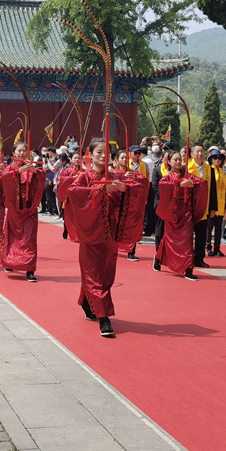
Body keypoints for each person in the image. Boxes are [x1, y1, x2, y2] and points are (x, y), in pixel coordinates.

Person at [63, 138, 149, 337]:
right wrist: (101, 189)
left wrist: (127, 185)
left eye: (106, 152)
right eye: (99, 152)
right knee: (93, 273)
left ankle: (87, 301)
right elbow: (73, 193)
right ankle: (104, 317)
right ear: (90, 155)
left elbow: (141, 184)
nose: (103, 156)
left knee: (106, 274)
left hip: (110, 233)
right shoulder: (84, 177)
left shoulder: (116, 175)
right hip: (90, 234)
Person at [154, 151, 208, 281]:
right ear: (169, 162)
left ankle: (188, 269)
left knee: (188, 241)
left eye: (180, 160)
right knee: (168, 239)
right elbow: (163, 185)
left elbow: (202, 183)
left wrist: (193, 184)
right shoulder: (167, 177)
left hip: (186, 214)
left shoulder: (188, 176)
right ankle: (158, 258)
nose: (178, 162)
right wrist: (178, 184)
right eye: (175, 160)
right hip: (172, 214)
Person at [0, 141, 45, 281]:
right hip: (14, 210)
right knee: (12, 238)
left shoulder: (32, 167)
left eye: (24, 151)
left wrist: (35, 172)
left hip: (29, 209)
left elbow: (41, 177)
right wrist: (19, 171)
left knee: (29, 239)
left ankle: (29, 269)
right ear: (14, 153)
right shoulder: (10, 169)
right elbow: (5, 179)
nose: (21, 153)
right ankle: (10, 262)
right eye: (18, 151)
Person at [186, 144, 212, 268]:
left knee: (201, 235)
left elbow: (213, 191)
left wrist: (213, 208)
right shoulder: (185, 168)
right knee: (188, 234)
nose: (200, 154)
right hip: (189, 208)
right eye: (197, 152)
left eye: (202, 151)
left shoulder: (209, 169)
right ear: (191, 154)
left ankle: (199, 259)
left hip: (204, 207)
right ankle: (187, 258)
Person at [205, 148, 226, 258]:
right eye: (215, 158)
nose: (217, 160)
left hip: (221, 203)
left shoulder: (223, 171)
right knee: (209, 227)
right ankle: (208, 247)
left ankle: (217, 248)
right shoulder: (209, 170)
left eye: (220, 158)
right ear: (211, 159)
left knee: (219, 227)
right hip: (211, 203)